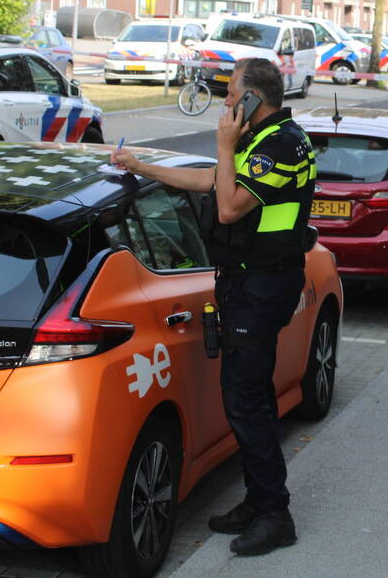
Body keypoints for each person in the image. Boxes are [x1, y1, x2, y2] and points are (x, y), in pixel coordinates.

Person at [111, 58, 315, 555]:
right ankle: (258, 499)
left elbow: (227, 207)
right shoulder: (266, 138)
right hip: (252, 284)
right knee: (250, 396)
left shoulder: (278, 146)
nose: (225, 102)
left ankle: (275, 514)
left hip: (261, 287)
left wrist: (224, 145)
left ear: (253, 98)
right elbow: (212, 181)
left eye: (231, 94)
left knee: (246, 402)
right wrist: (141, 167)